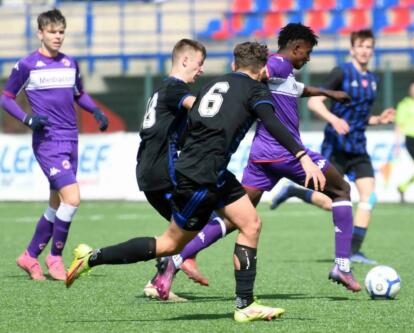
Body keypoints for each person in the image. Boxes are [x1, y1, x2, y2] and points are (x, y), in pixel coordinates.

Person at [65, 41, 325, 322]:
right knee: (169, 244)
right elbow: (273, 123)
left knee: (251, 224)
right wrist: (302, 156)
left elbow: (194, 123)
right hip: (201, 178)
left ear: (233, 65)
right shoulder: (255, 90)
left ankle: (245, 305)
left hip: (211, 172)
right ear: (263, 68)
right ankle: (91, 258)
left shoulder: (215, 83)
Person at [155, 23, 363, 292]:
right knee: (341, 189)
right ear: (296, 48)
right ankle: (342, 266)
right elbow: (264, 71)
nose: (308, 58)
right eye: (307, 52)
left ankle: (178, 257)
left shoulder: (284, 73)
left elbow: (297, 89)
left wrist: (328, 92)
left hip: (261, 157)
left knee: (235, 218)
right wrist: (254, 74)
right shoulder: (277, 63)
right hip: (283, 152)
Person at [0, 9, 108, 281]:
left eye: (61, 32)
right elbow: (6, 97)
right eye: (52, 32)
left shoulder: (70, 63)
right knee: (72, 199)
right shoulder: (26, 65)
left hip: (71, 138)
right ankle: (55, 257)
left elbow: (79, 94)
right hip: (48, 141)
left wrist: (95, 111)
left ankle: (28, 256)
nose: (58, 36)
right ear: (40, 33)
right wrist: (27, 118)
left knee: (55, 204)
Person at [271, 29, 395, 265]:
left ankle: (354, 251)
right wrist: (333, 119)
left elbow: (360, 117)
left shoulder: (374, 81)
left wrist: (378, 120)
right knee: (332, 202)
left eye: (369, 47)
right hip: (336, 146)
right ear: (352, 49)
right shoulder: (341, 72)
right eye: (360, 46)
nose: (364, 51)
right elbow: (316, 102)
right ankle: (297, 191)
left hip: (358, 147)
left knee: (369, 198)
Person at [132, 38, 211, 299]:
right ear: (185, 60)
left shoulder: (162, 89)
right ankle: (167, 274)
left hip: (151, 169)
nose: (201, 70)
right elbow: (200, 108)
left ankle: (163, 276)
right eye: (199, 64)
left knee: (188, 228)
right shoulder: (176, 89)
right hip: (161, 172)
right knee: (196, 224)